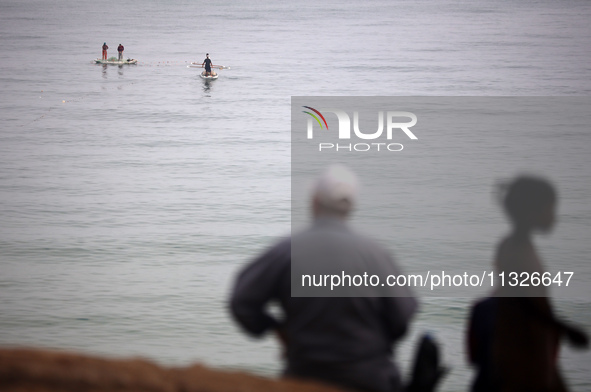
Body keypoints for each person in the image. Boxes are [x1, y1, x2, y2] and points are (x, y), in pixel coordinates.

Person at [229, 165, 418, 392]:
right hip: (370, 379)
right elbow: (403, 315)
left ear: (315, 201)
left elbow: (241, 301)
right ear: (350, 208)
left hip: (305, 377)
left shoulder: (286, 251)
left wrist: (275, 328)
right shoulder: (376, 255)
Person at [467, 176, 588, 392]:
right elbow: (528, 304)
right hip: (522, 349)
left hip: (522, 344)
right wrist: (567, 329)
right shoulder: (519, 253)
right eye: (550, 208)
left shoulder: (512, 245)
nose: (554, 217)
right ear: (531, 212)